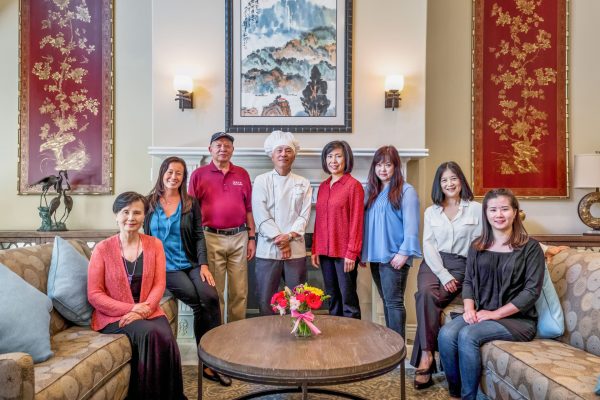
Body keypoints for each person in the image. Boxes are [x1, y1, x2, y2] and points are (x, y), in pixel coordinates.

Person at [438, 188, 545, 400]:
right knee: (447, 334)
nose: (499, 214)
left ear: (515, 212)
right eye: (493, 209)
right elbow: (468, 281)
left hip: (517, 320)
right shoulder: (477, 245)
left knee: (468, 335)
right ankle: (456, 394)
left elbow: (531, 292)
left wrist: (495, 314)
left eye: (505, 209)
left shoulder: (530, 248)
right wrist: (469, 309)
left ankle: (469, 397)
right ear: (486, 214)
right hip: (481, 312)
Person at [87, 192, 186, 400]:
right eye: (125, 212)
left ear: (144, 217)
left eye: (137, 213)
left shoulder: (154, 245)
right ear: (116, 215)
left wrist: (145, 309)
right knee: (150, 334)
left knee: (166, 336)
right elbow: (94, 294)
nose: (131, 218)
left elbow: (160, 283)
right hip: (113, 315)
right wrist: (132, 309)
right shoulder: (102, 249)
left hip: (148, 310)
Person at [144, 156, 231, 386]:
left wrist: (203, 265)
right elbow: (141, 238)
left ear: (184, 178)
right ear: (162, 173)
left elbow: (199, 236)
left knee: (211, 297)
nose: (174, 177)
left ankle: (214, 358)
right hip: (165, 267)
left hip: (191, 263)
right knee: (195, 300)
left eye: (179, 173)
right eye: (170, 172)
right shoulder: (148, 203)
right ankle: (209, 364)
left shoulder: (190, 203)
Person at [411, 161, 482, 389]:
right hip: (433, 263)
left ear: (461, 180)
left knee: (427, 299)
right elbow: (428, 244)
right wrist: (443, 274)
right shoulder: (431, 211)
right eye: (444, 180)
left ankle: (424, 357)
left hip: (462, 264)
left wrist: (544, 248)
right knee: (425, 293)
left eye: (453, 178)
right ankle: (427, 355)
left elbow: (499, 235)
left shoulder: (477, 209)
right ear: (438, 185)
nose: (449, 183)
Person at [188, 132, 256, 323]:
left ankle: (237, 331)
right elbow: (191, 212)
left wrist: (252, 238)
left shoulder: (242, 174)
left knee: (239, 291)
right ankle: (218, 333)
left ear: (233, 150)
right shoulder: (198, 175)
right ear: (210, 149)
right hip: (211, 237)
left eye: (227, 145)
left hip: (239, 237)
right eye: (218, 145)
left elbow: (249, 209)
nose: (223, 149)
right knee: (215, 291)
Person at [361, 145, 421, 339]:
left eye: (388, 164)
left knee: (394, 302)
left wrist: (404, 253)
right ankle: (392, 345)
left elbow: (412, 225)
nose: (383, 169)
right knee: (386, 301)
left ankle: (398, 348)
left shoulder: (406, 190)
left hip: (395, 256)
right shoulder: (372, 191)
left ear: (396, 167)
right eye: (379, 165)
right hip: (377, 257)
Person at [252, 131, 313, 315]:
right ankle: (268, 340)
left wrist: (289, 237)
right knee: (266, 299)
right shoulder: (261, 181)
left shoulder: (304, 182)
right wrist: (280, 239)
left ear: (294, 155)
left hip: (295, 249)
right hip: (268, 250)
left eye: (288, 150)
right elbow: (260, 214)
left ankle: (297, 337)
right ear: (272, 154)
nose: (283, 154)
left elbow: (305, 215)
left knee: (298, 299)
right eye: (279, 150)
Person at [311, 140, 364, 319]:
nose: (333, 160)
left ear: (346, 158)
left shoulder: (353, 186)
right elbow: (318, 220)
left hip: (344, 253)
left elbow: (357, 221)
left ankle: (352, 340)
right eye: (329, 156)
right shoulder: (324, 186)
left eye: (338, 156)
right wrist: (315, 249)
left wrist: (352, 252)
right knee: (332, 298)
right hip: (325, 252)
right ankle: (337, 339)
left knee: (348, 299)